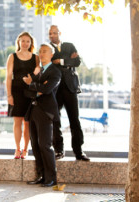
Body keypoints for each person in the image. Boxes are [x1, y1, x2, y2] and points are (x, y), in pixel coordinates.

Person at [49, 25, 90, 161]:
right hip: (55, 89)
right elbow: (49, 63)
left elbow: (77, 62)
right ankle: (58, 151)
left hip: (70, 87)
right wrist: (68, 61)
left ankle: (79, 152)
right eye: (50, 33)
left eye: (54, 33)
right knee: (55, 120)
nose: (52, 35)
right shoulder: (47, 48)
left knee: (74, 120)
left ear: (60, 33)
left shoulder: (69, 45)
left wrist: (60, 60)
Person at [23, 43, 61, 187]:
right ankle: (41, 175)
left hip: (46, 112)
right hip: (33, 110)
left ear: (51, 54)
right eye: (40, 51)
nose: (42, 53)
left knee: (45, 145)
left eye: (45, 51)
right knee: (36, 145)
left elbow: (46, 89)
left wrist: (33, 84)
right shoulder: (37, 72)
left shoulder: (55, 72)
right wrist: (36, 85)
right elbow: (26, 91)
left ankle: (52, 178)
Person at [6, 32, 39, 159]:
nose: (25, 43)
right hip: (16, 92)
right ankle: (17, 148)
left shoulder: (36, 57)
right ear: (18, 42)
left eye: (28, 41)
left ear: (31, 43)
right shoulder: (12, 56)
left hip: (30, 93)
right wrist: (9, 95)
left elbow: (38, 76)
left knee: (28, 123)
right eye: (23, 41)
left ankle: (25, 150)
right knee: (17, 122)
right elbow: (9, 77)